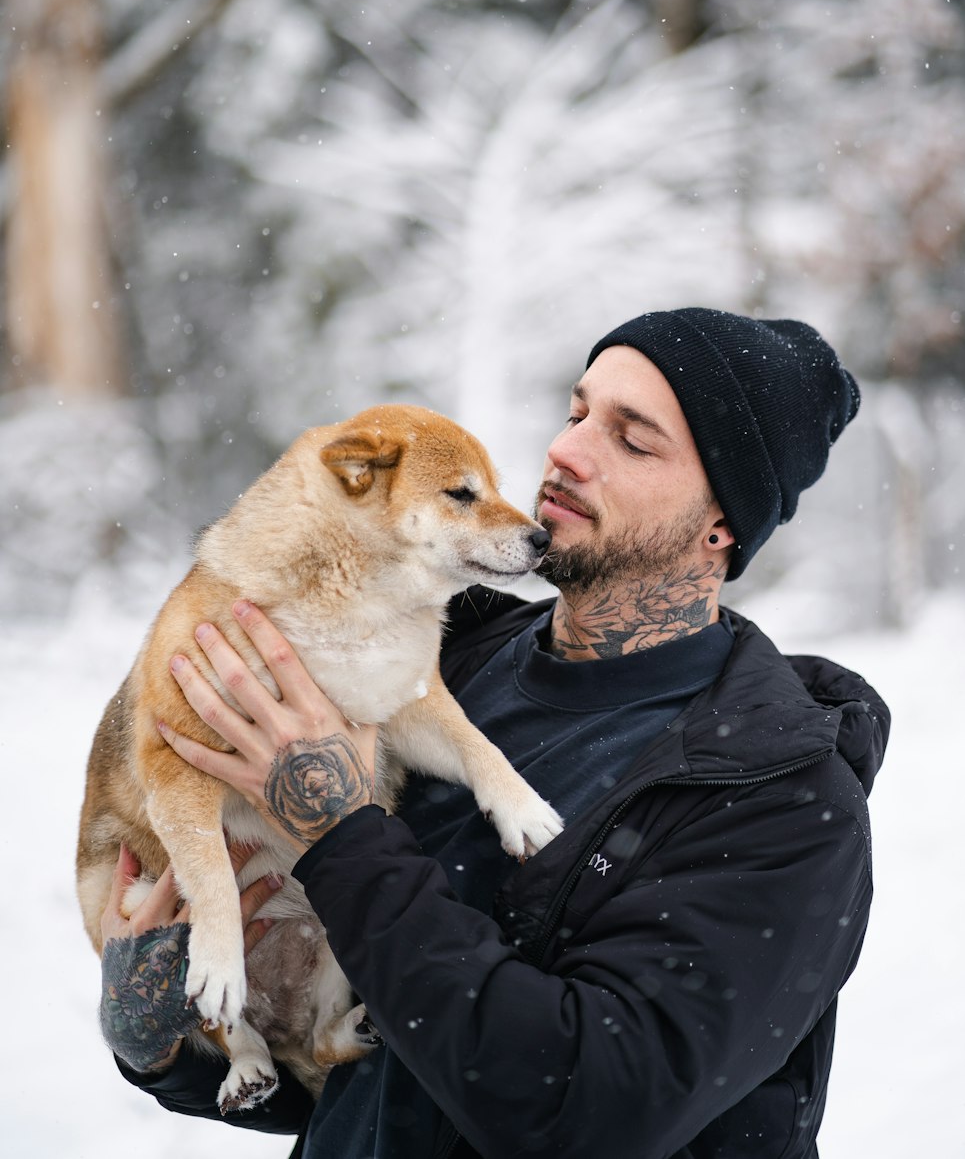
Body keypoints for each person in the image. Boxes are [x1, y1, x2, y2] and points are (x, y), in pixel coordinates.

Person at [99, 307, 890, 1159]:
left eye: (634, 440)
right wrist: (168, 1043)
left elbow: (583, 1111)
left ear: (721, 523)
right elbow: (380, 1074)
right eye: (578, 410)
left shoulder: (780, 800)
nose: (568, 450)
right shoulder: (447, 656)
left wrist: (339, 831)